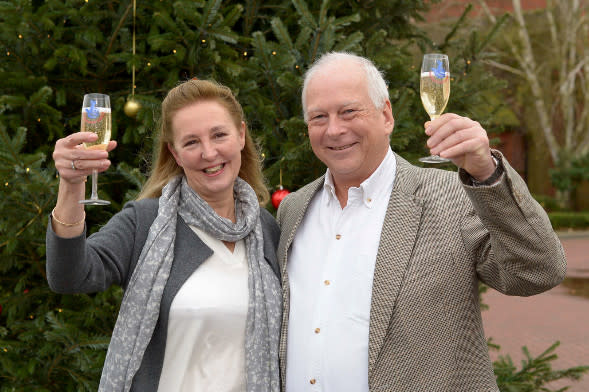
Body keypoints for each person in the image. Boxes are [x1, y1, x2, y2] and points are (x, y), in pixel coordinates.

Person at [276, 52, 567, 391]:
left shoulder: (452, 196)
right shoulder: (293, 210)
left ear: (386, 115)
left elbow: (538, 271)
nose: (334, 129)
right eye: (318, 117)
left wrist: (487, 172)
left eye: (349, 111)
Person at [46, 79, 282, 392]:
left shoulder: (267, 230)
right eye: (191, 142)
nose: (209, 152)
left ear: (240, 135)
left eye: (219, 135)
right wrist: (71, 185)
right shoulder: (145, 222)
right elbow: (70, 276)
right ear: (175, 153)